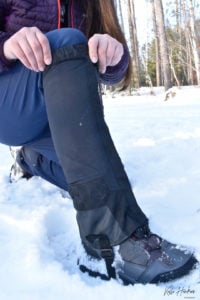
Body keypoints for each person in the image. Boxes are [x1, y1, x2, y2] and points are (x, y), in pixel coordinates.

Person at [0, 0, 198, 285]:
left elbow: (114, 70)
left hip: (57, 121)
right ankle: (108, 241)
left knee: (101, 178)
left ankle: (31, 159)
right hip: (9, 103)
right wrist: (7, 46)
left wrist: (113, 54)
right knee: (64, 41)